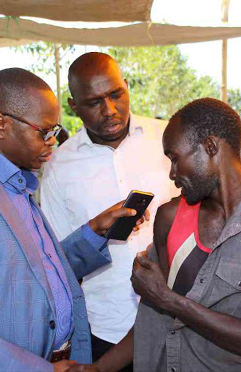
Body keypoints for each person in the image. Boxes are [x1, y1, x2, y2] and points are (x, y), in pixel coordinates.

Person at [0, 67, 147, 372]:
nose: (51, 142)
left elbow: (37, 273)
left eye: (54, 132)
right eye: (43, 132)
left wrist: (93, 232)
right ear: (1, 125)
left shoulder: (16, 184)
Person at [68, 98, 241, 372]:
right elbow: (153, 319)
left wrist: (170, 300)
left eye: (175, 159)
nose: (172, 174)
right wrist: (99, 368)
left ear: (210, 147)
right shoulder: (170, 217)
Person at [40, 52, 178, 370]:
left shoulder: (167, 138)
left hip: (179, 318)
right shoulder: (58, 167)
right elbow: (57, 261)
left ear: (127, 86)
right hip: (106, 328)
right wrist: (94, 231)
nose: (110, 110)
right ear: (74, 106)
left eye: (116, 94)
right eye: (94, 102)